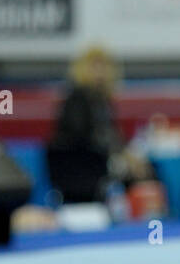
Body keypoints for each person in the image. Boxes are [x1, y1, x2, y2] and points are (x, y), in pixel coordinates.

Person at [52, 45, 153, 186]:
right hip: (82, 167)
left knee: (147, 169)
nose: (99, 72)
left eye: (103, 66)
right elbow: (81, 137)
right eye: (94, 66)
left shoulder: (103, 101)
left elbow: (114, 136)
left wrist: (128, 155)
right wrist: (119, 158)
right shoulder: (76, 99)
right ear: (82, 69)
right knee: (139, 175)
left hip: (102, 161)